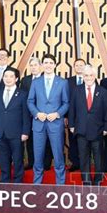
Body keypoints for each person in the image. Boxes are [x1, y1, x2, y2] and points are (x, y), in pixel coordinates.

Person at [27, 54, 69, 185]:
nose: (48, 65)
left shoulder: (62, 82)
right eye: (46, 62)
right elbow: (30, 101)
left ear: (55, 65)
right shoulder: (35, 82)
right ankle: (37, 185)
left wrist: (57, 114)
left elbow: (66, 103)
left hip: (55, 124)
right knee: (38, 157)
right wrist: (36, 113)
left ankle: (60, 185)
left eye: (51, 62)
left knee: (58, 156)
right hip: (39, 124)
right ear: (42, 65)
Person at [69, 65, 107, 186]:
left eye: (91, 75)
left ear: (95, 76)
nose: (88, 78)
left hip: (98, 130)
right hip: (81, 130)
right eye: (86, 75)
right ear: (82, 76)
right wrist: (71, 125)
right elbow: (72, 109)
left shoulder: (103, 91)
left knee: (98, 159)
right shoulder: (76, 90)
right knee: (84, 159)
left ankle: (98, 181)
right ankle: (86, 182)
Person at [0, 68, 30, 183]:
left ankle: (18, 183)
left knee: (18, 160)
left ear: (16, 79)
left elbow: (26, 115)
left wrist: (25, 132)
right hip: (0, 132)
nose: (8, 79)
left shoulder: (22, 94)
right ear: (2, 78)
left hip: (17, 133)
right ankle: (4, 182)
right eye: (5, 76)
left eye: (11, 76)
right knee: (3, 160)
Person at [20, 57, 53, 171]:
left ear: (41, 66)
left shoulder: (47, 78)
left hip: (46, 116)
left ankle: (46, 163)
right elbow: (23, 98)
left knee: (47, 140)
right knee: (30, 140)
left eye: (35, 65)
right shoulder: (25, 80)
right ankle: (31, 162)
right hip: (29, 115)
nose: (33, 67)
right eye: (31, 65)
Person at [66, 58, 87, 172]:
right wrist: (66, 116)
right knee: (73, 140)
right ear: (74, 67)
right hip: (72, 117)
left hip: (87, 118)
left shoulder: (90, 79)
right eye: (77, 65)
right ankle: (75, 163)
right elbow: (64, 99)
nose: (79, 67)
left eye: (81, 65)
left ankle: (85, 163)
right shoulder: (68, 81)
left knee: (85, 141)